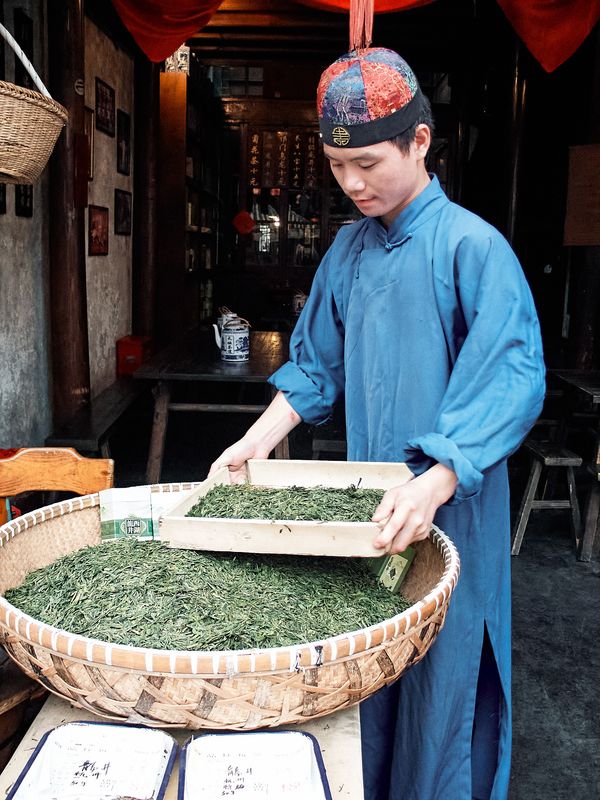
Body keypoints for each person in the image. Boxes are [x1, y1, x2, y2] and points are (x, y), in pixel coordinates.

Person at [210, 47, 545, 800]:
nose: (352, 183)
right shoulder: (349, 250)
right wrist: (257, 439)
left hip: (451, 509)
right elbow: (317, 364)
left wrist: (437, 480)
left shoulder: (472, 247)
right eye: (336, 166)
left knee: (442, 689)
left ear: (420, 142)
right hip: (369, 511)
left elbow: (510, 380)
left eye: (367, 163)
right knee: (370, 678)